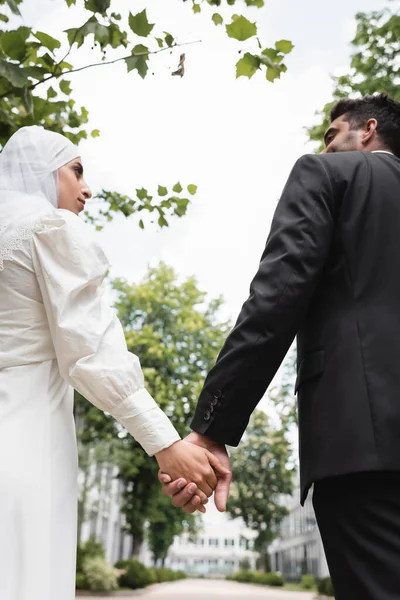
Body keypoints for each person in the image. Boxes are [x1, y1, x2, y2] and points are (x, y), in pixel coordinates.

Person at [161, 94, 400, 600]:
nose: (327, 145)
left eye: (332, 134)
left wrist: (210, 429)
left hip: (366, 444)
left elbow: (276, 299)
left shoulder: (327, 176)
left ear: (368, 129)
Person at [0, 125, 228, 600]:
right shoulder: (49, 227)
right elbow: (90, 349)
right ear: (42, 170)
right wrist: (166, 443)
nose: (87, 189)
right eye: (77, 170)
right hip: (26, 434)